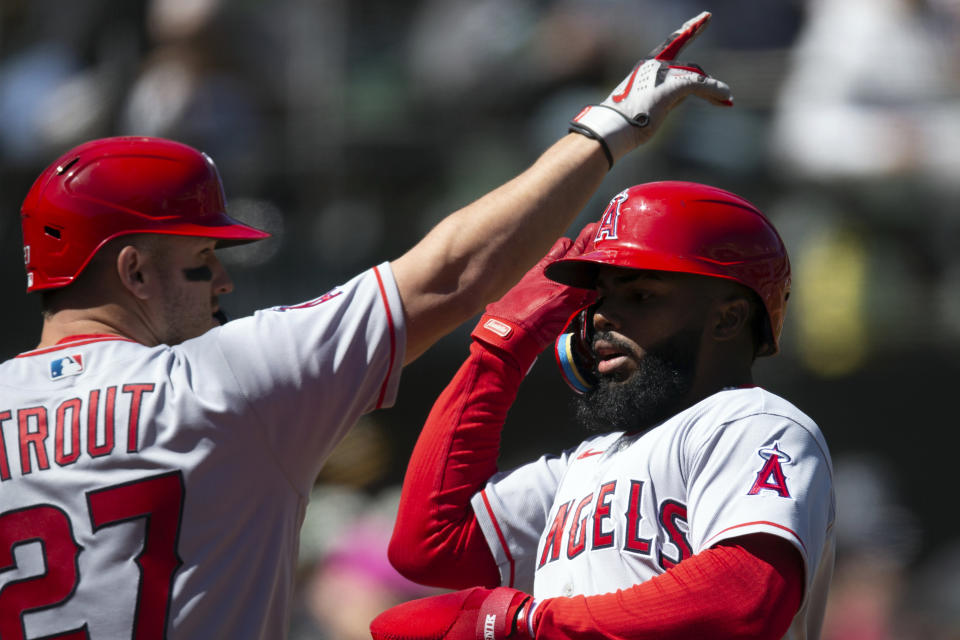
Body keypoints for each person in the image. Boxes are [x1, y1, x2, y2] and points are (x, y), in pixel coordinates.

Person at [0, 11, 731, 640]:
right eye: (200, 258)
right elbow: (451, 272)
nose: (223, 280)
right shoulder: (217, 381)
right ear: (132, 273)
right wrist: (603, 133)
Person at [374, 181, 836, 640]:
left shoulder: (754, 423)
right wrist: (498, 351)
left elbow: (742, 602)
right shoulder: (587, 462)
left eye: (640, 295)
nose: (597, 318)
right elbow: (431, 544)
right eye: (599, 297)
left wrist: (526, 623)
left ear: (727, 318)